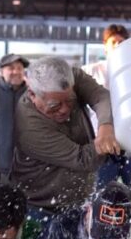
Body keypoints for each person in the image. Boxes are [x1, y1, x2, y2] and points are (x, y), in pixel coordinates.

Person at [10, 56, 119, 225]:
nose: (65, 110)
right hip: (39, 209)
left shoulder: (72, 77)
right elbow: (84, 159)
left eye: (70, 101)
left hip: (78, 202)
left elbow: (101, 96)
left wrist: (105, 126)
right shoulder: (29, 126)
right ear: (32, 94)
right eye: (54, 106)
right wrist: (109, 140)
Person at [81, 24, 131, 190]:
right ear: (106, 47)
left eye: (122, 42)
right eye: (114, 42)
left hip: (128, 145)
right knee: (100, 193)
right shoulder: (90, 71)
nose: (118, 45)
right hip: (101, 145)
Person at [0, 54, 29, 181]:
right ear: (1, 71)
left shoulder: (32, 94)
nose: (16, 72)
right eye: (11, 68)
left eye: (19, 68)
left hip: (26, 166)